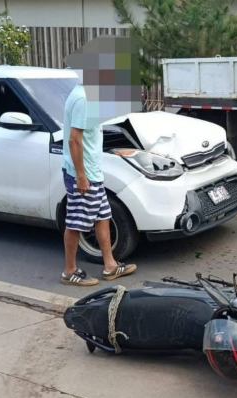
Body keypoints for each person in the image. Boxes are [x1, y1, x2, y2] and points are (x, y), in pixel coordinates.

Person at [60, 38, 140, 286]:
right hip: (81, 174)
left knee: (102, 216)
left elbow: (91, 136)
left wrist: (116, 152)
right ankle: (70, 271)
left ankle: (110, 265)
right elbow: (75, 140)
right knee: (76, 222)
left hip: (91, 171)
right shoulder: (84, 98)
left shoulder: (89, 95)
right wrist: (81, 176)